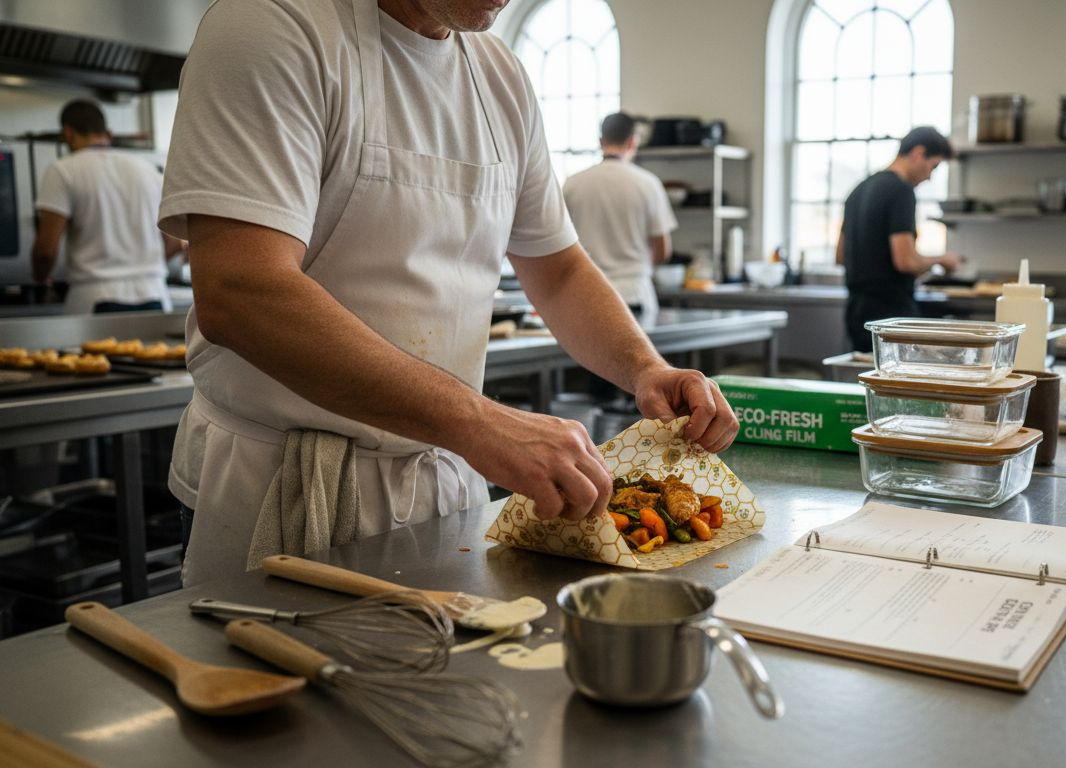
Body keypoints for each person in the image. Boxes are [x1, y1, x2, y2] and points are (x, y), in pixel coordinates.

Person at [158, 0, 738, 586]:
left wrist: (644, 368)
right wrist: (481, 424)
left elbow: (557, 269)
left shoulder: (499, 75)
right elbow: (242, 290)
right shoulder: (273, 24)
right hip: (280, 485)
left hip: (442, 489)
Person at [32, 100, 184, 314]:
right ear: (109, 134)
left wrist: (40, 280)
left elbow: (46, 251)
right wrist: (141, 266)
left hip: (94, 298)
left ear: (68, 133)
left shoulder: (62, 171)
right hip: (154, 295)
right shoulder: (148, 170)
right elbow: (174, 243)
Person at [837, 126, 962, 352]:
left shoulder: (858, 190)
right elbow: (905, 261)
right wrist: (942, 259)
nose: (930, 176)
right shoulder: (901, 190)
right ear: (917, 153)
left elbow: (840, 255)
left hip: (856, 312)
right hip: (891, 316)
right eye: (933, 166)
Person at [562, 112, 677, 325]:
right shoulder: (648, 184)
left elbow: (561, 242)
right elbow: (662, 250)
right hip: (634, 293)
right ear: (633, 141)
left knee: (588, 357)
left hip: (588, 293)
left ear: (600, 141)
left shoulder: (572, 184)